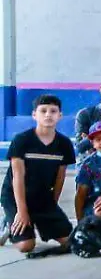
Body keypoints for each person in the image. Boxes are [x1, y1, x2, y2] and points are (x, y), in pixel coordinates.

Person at [1, 95, 76, 252]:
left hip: (42, 197)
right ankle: (8, 222)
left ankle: (36, 220)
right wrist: (21, 212)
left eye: (53, 111)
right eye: (43, 111)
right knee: (26, 246)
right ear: (34, 115)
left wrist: (52, 207)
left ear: (60, 115)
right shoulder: (22, 140)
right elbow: (17, 177)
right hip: (15, 196)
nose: (48, 115)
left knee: (70, 242)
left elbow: (60, 177)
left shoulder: (64, 144)